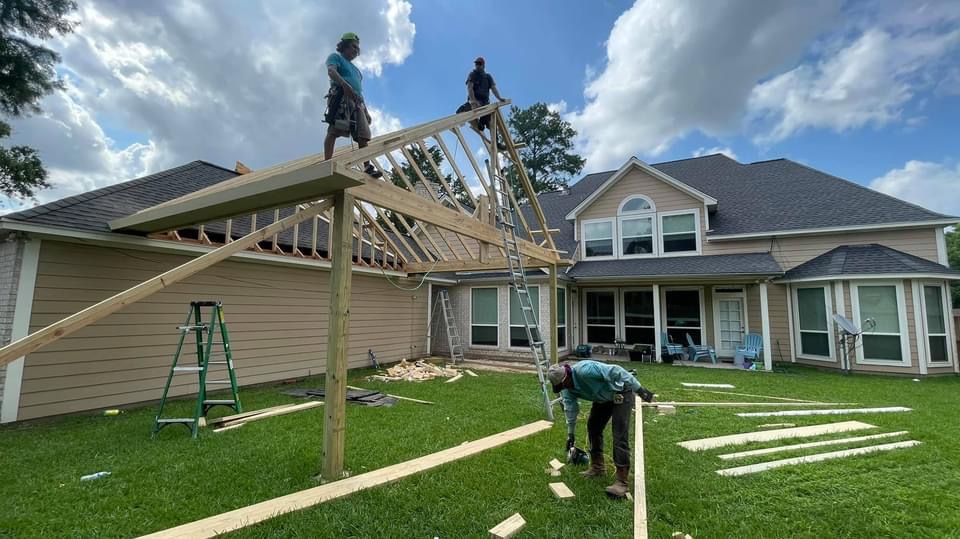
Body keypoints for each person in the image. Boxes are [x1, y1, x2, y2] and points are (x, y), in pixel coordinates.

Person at [547, 361, 654, 498]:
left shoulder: (585, 370)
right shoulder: (567, 390)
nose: (564, 388)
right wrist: (571, 435)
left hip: (620, 391)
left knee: (619, 433)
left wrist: (640, 389)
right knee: (593, 427)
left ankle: (622, 482)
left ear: (566, 376)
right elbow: (571, 409)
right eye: (560, 387)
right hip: (602, 398)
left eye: (563, 384)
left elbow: (617, 370)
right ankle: (597, 467)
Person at [324, 32, 381, 177]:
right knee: (334, 130)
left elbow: (359, 92)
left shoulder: (357, 71)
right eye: (353, 47)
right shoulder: (336, 57)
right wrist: (344, 85)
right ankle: (327, 162)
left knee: (363, 134)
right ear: (344, 46)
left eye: (357, 49)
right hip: (341, 96)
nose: (356, 51)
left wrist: (366, 111)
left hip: (356, 102)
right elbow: (331, 71)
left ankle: (367, 166)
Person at [465, 56, 505, 131]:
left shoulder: (488, 77)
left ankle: (496, 140)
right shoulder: (473, 74)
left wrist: (499, 98)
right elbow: (470, 88)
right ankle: (480, 124)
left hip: (485, 102)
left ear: (483, 65)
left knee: (491, 121)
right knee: (480, 108)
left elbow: (493, 88)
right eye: (476, 64)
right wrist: (473, 101)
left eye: (479, 64)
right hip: (476, 100)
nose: (477, 65)